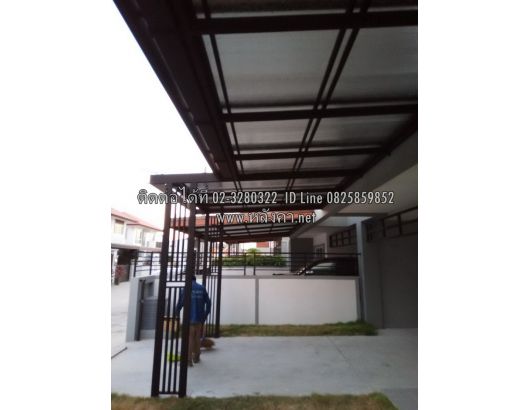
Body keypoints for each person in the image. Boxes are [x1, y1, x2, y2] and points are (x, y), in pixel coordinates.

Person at [176, 275, 211, 367]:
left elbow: (180, 304)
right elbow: (208, 302)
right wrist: (205, 314)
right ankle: (196, 357)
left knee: (189, 338)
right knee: (197, 337)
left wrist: (176, 314)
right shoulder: (202, 288)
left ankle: (188, 361)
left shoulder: (185, 289)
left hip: (189, 317)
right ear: (195, 280)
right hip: (199, 317)